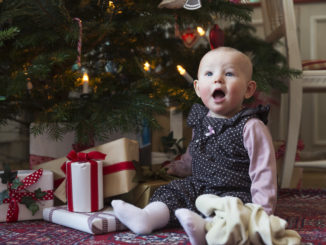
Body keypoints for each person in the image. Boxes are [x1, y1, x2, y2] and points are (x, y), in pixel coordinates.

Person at [112, 47, 277, 244]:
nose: (218, 79)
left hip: (234, 192)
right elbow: (196, 150)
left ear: (248, 89)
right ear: (198, 88)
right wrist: (181, 167)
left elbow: (263, 171)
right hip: (199, 187)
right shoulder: (201, 120)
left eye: (229, 73)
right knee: (173, 191)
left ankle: (206, 229)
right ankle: (148, 217)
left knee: (234, 212)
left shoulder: (251, 126)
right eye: (209, 73)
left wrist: (262, 211)